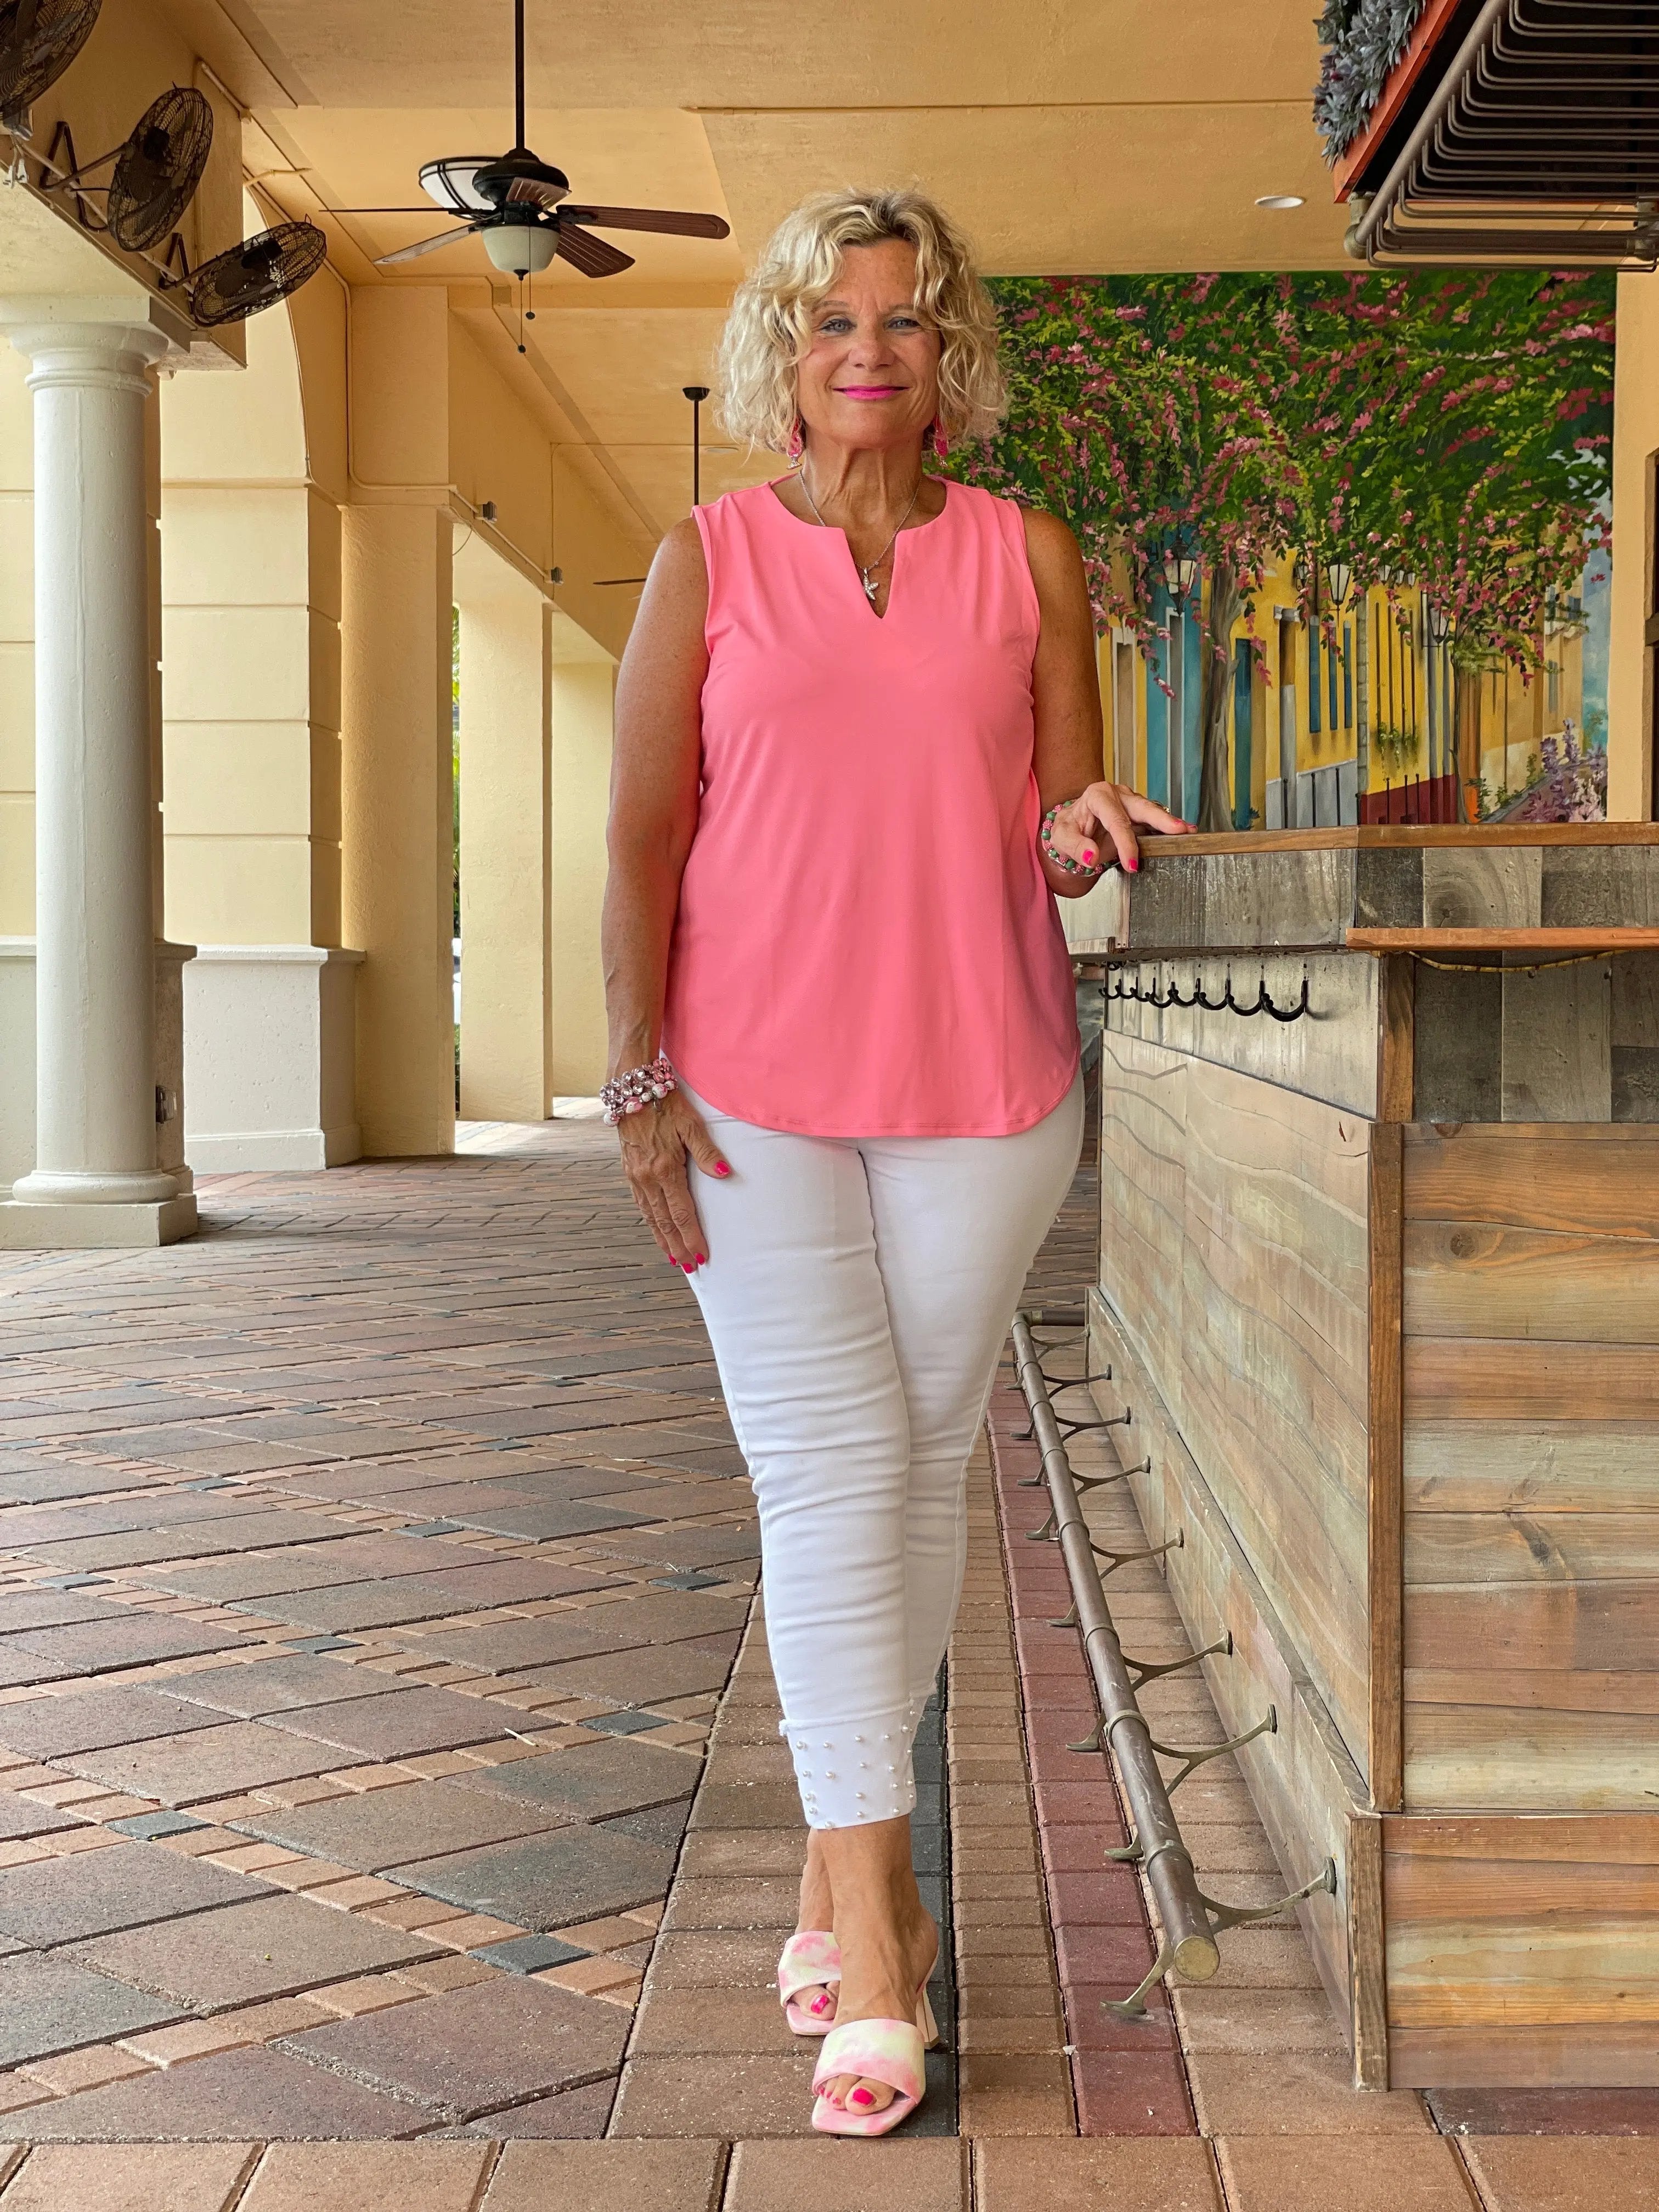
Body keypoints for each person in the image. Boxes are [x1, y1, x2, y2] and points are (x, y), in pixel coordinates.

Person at [601, 184, 1190, 2136]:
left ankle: (828, 1876)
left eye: (906, 321)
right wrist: (634, 1077)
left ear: (951, 357)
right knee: (832, 1470)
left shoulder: (1030, 554)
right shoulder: (704, 559)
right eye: (835, 319)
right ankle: (883, 1938)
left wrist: (1085, 827)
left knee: (912, 1470)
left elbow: (1051, 809)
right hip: (746, 1090)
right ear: (784, 349)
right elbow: (642, 838)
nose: (870, 352)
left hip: (987, 1082)